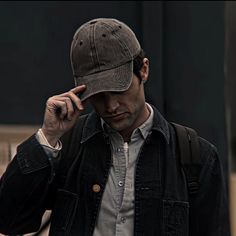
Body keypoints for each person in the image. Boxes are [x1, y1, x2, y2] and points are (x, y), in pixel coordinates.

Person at [0, 18, 230, 236]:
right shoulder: (68, 146)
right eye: (98, 96)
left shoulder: (195, 156)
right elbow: (9, 221)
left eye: (119, 90)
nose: (111, 106)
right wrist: (48, 137)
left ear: (144, 70)